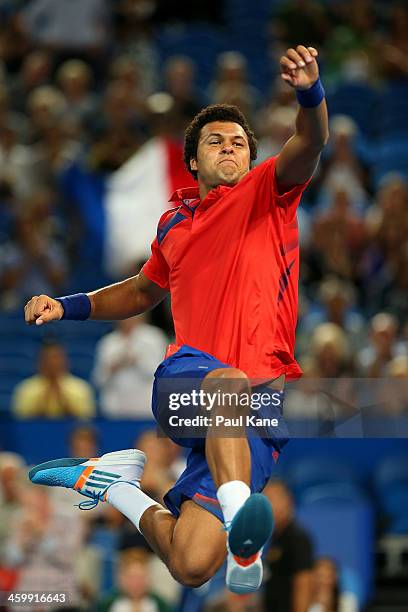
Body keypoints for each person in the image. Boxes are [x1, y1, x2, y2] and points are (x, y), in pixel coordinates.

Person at [24, 44, 329, 594]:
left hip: (256, 407)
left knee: (192, 565)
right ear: (194, 161)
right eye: (215, 141)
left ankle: (114, 486)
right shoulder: (175, 225)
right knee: (225, 382)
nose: (230, 147)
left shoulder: (269, 193)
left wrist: (309, 91)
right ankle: (243, 520)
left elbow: (310, 140)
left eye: (239, 141)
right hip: (191, 380)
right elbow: (143, 289)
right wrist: (66, 304)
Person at [263, 480, 314, 612]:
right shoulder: (276, 537)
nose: (266, 506)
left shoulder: (297, 538)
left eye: (271, 499)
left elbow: (303, 583)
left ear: (287, 501)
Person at [12, 341, 96, 418]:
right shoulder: (26, 388)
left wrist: (62, 398)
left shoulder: (81, 388)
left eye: (56, 358)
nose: (53, 363)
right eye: (48, 358)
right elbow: (21, 419)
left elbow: (86, 419)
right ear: (40, 362)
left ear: (65, 361)